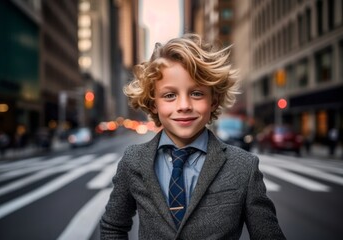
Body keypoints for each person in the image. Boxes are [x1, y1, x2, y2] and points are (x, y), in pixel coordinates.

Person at [100, 33, 286, 239]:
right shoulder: (133, 161)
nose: (184, 106)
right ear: (154, 103)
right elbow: (113, 227)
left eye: (196, 93)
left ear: (213, 101)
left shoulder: (243, 167)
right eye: (170, 95)